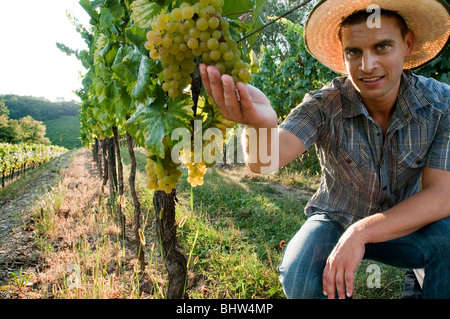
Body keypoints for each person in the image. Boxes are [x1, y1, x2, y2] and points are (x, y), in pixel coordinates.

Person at [200, 0, 450, 299]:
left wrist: (361, 233)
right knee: (300, 273)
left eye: (382, 47)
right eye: (354, 52)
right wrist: (260, 126)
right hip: (336, 217)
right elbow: (264, 163)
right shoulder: (324, 104)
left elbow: (441, 196)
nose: (367, 65)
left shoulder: (440, 104)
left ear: (407, 44)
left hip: (403, 221)